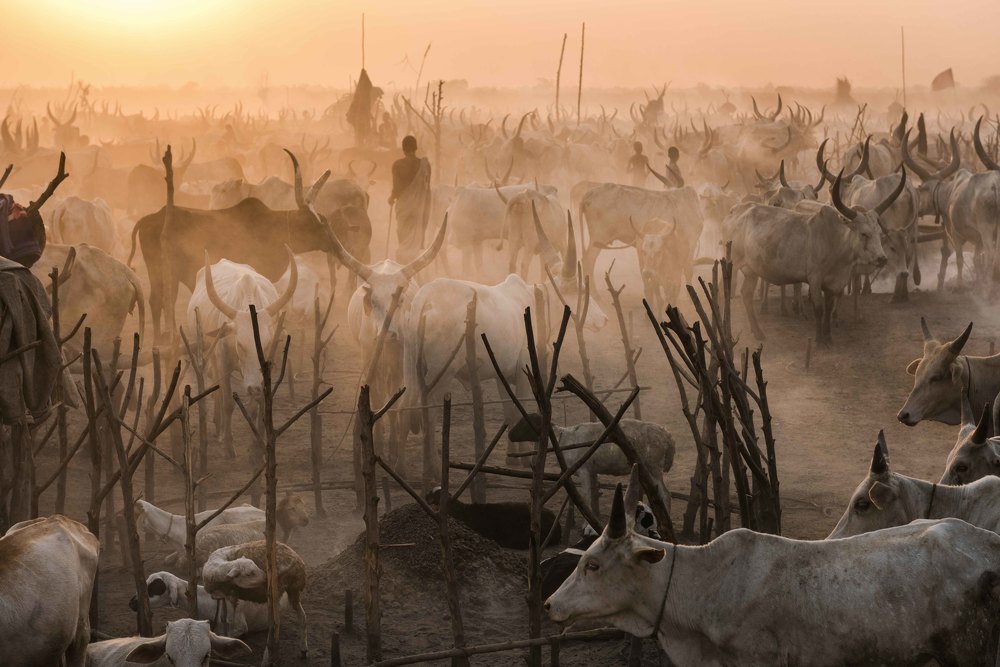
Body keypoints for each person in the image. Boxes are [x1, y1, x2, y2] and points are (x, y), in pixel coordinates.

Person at [388, 135, 432, 263]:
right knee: (416, 235)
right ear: (416, 148)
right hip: (419, 207)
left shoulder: (397, 165)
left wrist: (391, 198)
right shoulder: (425, 165)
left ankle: (403, 261)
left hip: (404, 207)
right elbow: (426, 187)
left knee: (403, 235)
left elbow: (396, 188)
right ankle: (413, 262)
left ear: (403, 149)